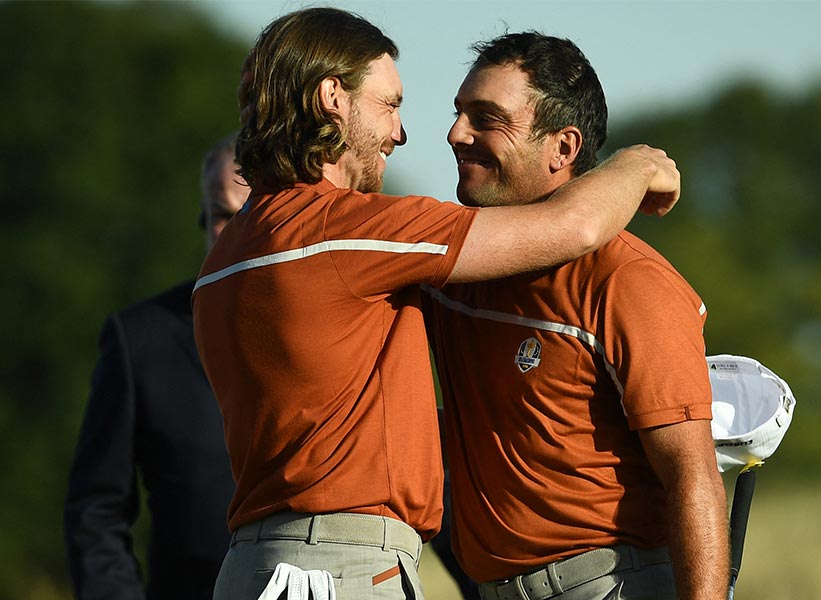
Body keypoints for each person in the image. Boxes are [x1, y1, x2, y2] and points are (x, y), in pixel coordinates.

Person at [191, 8, 682, 600]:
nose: (403, 133)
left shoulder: (222, 260)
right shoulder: (348, 233)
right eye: (390, 104)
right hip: (340, 571)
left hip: (250, 566)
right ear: (332, 99)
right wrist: (639, 163)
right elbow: (574, 225)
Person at [422, 32, 729, 600]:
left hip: (610, 585)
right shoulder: (452, 261)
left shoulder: (630, 280)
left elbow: (693, 476)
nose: (455, 134)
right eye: (459, 113)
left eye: (485, 118)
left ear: (562, 149)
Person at [64, 134, 248, 600]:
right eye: (220, 214)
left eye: (249, 213)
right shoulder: (140, 339)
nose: (232, 232)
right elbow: (97, 511)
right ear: (203, 218)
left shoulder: (335, 329)